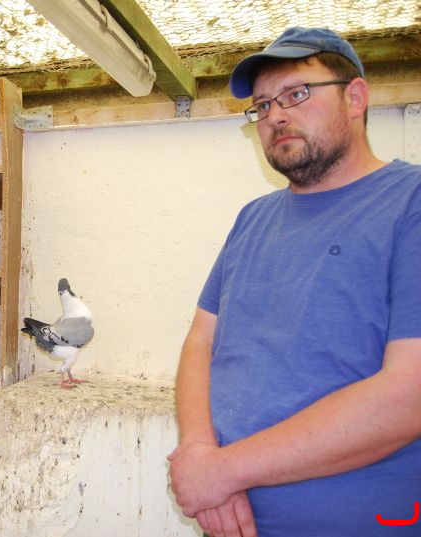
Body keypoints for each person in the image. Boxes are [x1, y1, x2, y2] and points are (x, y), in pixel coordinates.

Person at [167, 27, 421, 537]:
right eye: (262, 106)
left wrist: (223, 471)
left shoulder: (409, 202)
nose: (275, 116)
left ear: (355, 98)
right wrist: (198, 451)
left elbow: (409, 393)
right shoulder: (252, 219)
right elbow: (200, 342)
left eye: (297, 94)